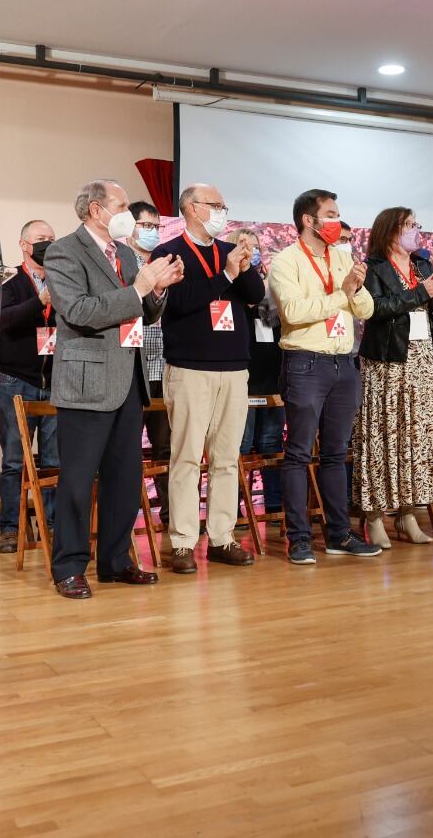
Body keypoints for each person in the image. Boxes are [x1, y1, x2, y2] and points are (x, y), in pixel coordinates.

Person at [42, 178, 183, 598]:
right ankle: (69, 566)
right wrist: (140, 289)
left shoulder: (124, 252)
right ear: (96, 210)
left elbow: (145, 313)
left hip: (129, 379)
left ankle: (116, 560)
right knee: (78, 480)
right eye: (120, 206)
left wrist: (157, 290)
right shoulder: (64, 250)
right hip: (87, 382)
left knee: (124, 477)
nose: (128, 215)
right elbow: (79, 311)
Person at [149, 183, 264, 574]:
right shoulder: (169, 252)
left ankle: (221, 537)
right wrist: (226, 276)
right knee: (185, 457)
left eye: (224, 205)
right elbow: (177, 303)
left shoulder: (229, 251)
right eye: (216, 205)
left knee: (227, 459)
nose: (222, 211)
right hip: (190, 367)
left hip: (234, 366)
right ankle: (181, 542)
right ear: (192, 209)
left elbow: (255, 294)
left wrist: (243, 269)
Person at [268, 188, 382, 564]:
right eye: (330, 215)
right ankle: (299, 538)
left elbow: (363, 310)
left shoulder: (342, 255)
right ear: (308, 220)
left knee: (336, 453)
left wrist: (357, 288)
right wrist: (341, 294)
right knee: (299, 454)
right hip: (305, 363)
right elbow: (295, 310)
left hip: (343, 364)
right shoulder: (285, 261)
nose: (336, 222)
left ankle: (339, 534)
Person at [354, 207, 433, 546]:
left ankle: (408, 514)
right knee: (385, 438)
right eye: (409, 225)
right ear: (390, 231)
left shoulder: (422, 265)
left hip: (422, 362)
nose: (416, 230)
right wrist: (421, 292)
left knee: (415, 439)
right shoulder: (373, 268)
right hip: (387, 363)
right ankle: (374, 517)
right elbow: (377, 309)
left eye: (417, 225)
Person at [0, 219, 60, 553]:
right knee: (15, 460)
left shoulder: (64, 278)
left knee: (52, 460)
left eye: (51, 238)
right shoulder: (10, 279)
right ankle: (10, 528)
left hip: (55, 382)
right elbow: (4, 320)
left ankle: (51, 523)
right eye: (41, 239)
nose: (47, 244)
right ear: (24, 245)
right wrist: (41, 299)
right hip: (17, 380)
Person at [238, 228, 285, 512]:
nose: (251, 250)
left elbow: (279, 322)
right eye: (244, 245)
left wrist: (270, 291)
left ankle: (275, 505)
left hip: (273, 377)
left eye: (255, 246)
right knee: (240, 446)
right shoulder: (232, 287)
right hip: (244, 380)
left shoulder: (270, 287)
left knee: (271, 443)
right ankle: (232, 509)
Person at [127, 201, 170, 468]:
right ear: (130, 228)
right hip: (134, 364)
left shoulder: (164, 263)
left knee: (165, 447)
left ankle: (168, 511)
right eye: (146, 226)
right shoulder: (120, 262)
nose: (153, 232)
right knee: (129, 444)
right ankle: (129, 508)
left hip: (165, 364)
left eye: (156, 227)